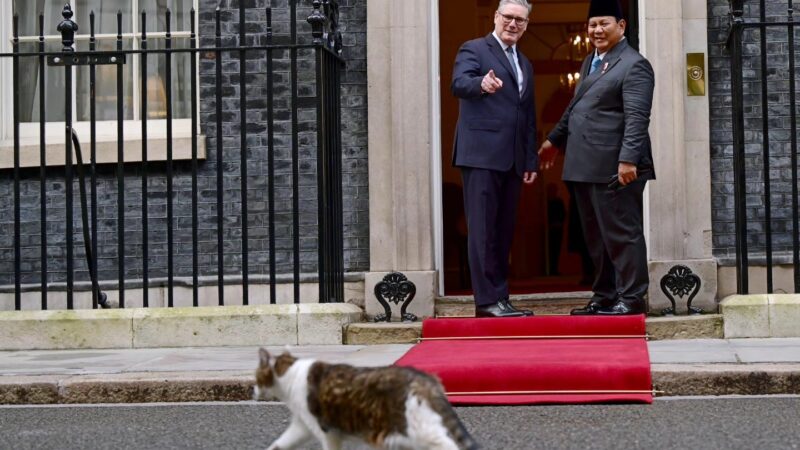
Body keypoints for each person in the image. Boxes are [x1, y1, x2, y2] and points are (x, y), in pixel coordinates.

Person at [538, 0, 655, 316]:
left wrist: (628, 159)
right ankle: (604, 295)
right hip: (584, 164)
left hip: (615, 166)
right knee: (595, 237)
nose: (597, 30)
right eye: (592, 24)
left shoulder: (634, 64)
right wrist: (553, 141)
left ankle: (631, 298)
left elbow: (637, 116)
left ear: (621, 26)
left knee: (620, 233)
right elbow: (577, 107)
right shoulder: (591, 60)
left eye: (604, 23)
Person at [451, 0, 538, 318]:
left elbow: (527, 115)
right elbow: (458, 83)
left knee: (503, 231)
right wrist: (481, 85)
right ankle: (486, 301)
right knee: (483, 230)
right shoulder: (474, 49)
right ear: (496, 17)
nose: (513, 24)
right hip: (481, 155)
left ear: (526, 25)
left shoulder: (524, 63)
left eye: (520, 20)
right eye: (508, 17)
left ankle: (500, 298)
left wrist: (530, 160)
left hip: (512, 160)